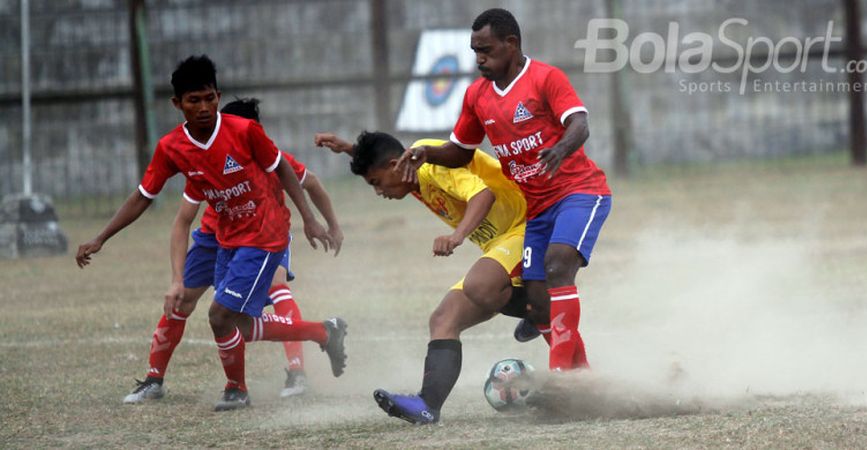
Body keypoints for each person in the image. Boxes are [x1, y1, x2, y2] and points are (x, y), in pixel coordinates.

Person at [76, 55, 348, 411]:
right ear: (177, 104)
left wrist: (311, 220)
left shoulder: (246, 132)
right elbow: (145, 198)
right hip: (225, 239)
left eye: (209, 98)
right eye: (194, 100)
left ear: (218, 96)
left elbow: (289, 172)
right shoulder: (173, 148)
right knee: (238, 324)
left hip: (266, 234)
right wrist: (101, 237)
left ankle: (239, 389)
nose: (204, 107)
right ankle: (323, 332)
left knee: (222, 313)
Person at [396, 9, 612, 373]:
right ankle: (582, 377)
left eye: (486, 50)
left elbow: (580, 123)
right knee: (538, 302)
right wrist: (427, 152)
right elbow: (461, 152)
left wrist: (560, 149)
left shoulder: (545, 78)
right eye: (474, 50)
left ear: (511, 44)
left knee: (557, 265)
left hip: (580, 192)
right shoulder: (477, 96)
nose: (479, 58)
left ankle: (560, 377)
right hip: (538, 210)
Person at [123, 97, 341, 404]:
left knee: (271, 290)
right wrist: (175, 276)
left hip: (263, 237)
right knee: (192, 304)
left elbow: (312, 182)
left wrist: (327, 223)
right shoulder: (207, 158)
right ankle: (154, 379)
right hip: (215, 239)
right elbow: (183, 219)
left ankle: (294, 371)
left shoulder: (273, 157)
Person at [315, 131, 536, 424]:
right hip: (501, 243)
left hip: (529, 226)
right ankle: (427, 406)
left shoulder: (429, 164)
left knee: (479, 285)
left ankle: (540, 309)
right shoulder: (408, 170)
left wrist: (456, 237)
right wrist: (351, 150)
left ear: (396, 165)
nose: (378, 192)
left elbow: (484, 195)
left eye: (376, 183)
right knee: (443, 319)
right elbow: (387, 156)